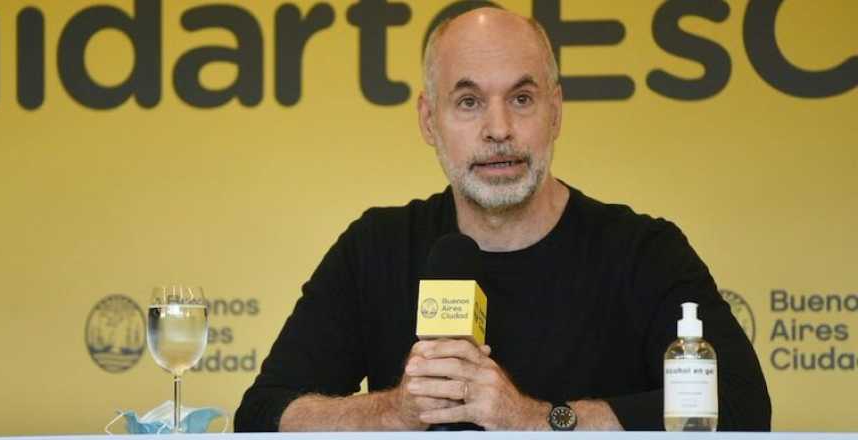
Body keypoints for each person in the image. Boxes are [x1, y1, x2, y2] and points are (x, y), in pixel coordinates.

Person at [234, 7, 770, 432]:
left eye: (522, 98)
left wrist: (535, 419)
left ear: (555, 111)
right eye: (468, 101)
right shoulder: (375, 246)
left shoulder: (644, 250)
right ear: (429, 120)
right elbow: (262, 415)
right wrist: (396, 412)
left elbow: (742, 408)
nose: (498, 128)